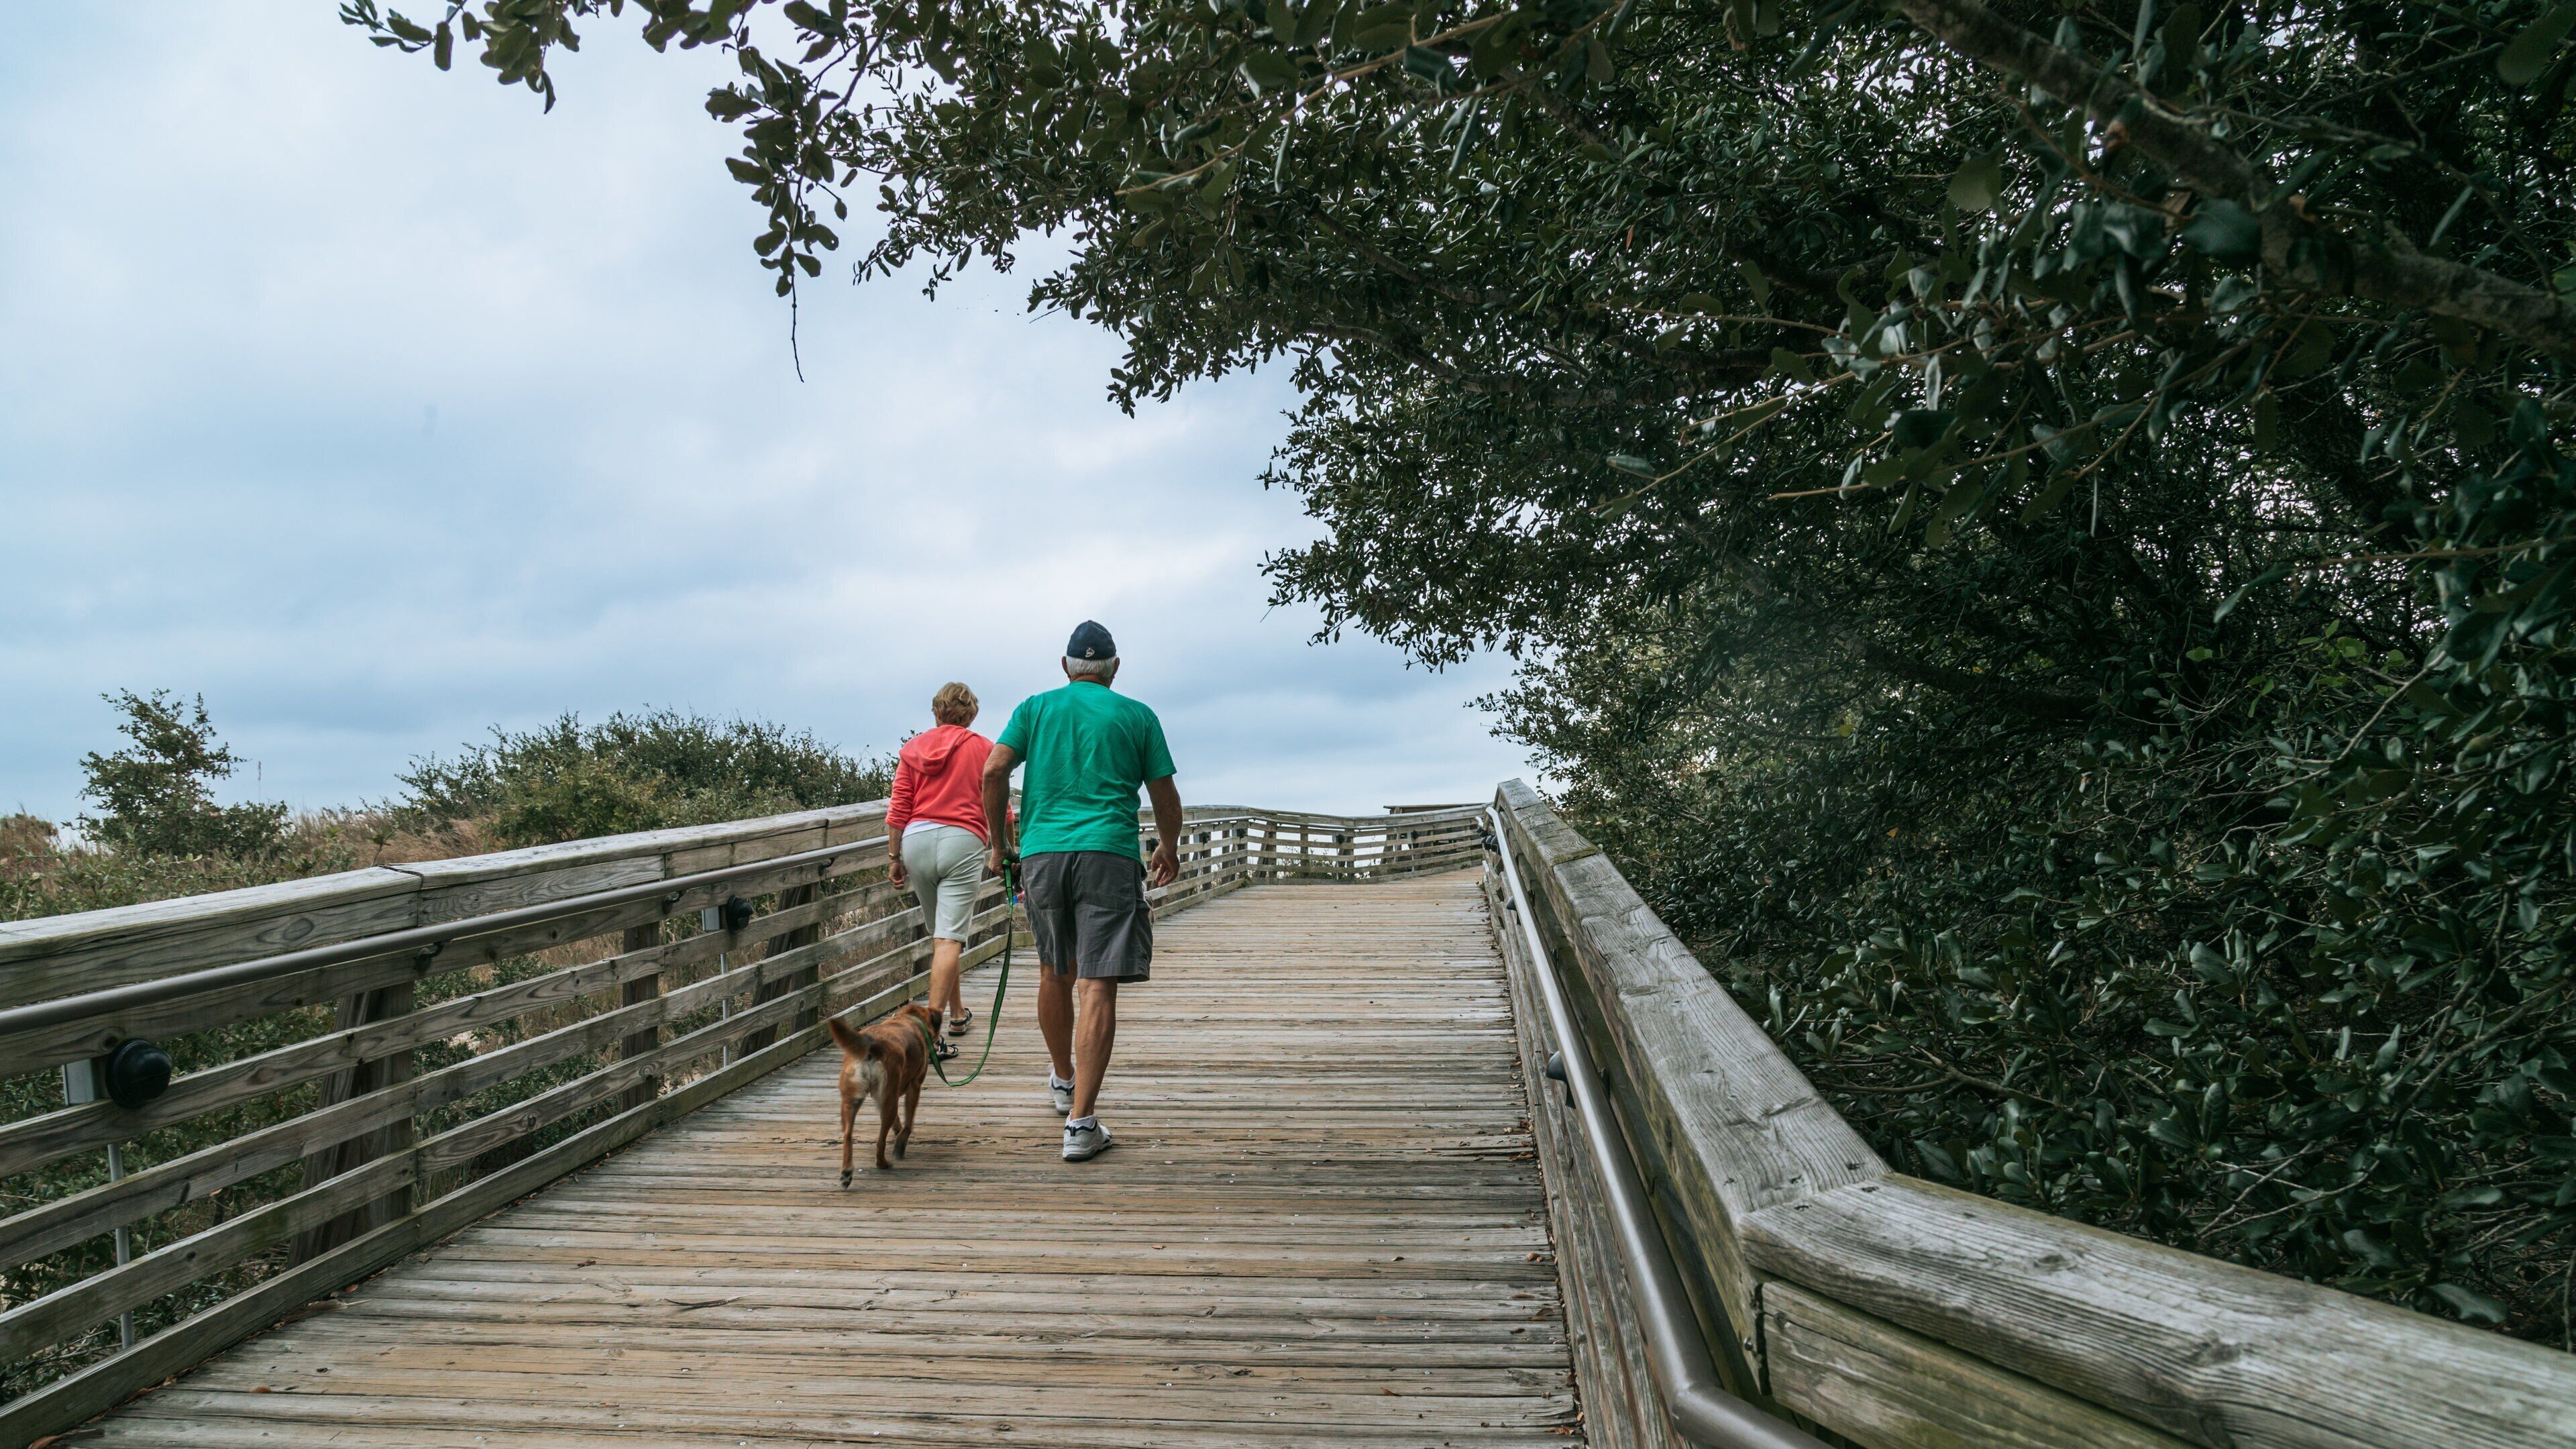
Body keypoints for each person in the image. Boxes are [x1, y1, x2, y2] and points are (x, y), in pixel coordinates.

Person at [982, 621, 1180, 1162]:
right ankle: (1081, 1124)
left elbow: (995, 770)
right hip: (1109, 854)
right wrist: (1168, 846)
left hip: (1043, 855)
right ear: (1115, 668)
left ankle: (1063, 1079)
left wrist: (999, 846)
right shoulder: (1137, 715)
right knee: (1097, 985)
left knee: (1054, 972)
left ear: (1066, 666)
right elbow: (1163, 793)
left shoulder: (1035, 709)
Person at [886, 681, 995, 1060]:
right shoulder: (982, 748)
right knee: (949, 939)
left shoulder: (913, 748)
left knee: (942, 937)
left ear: (936, 712)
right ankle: (930, 1038)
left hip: (916, 840)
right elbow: (999, 804)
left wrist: (894, 857)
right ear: (970, 716)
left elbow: (899, 805)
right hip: (961, 840)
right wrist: (1005, 848)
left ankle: (957, 1014)